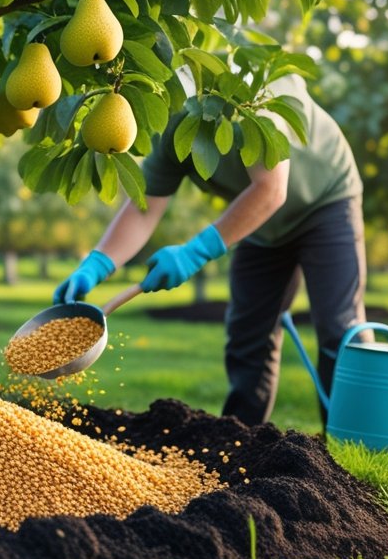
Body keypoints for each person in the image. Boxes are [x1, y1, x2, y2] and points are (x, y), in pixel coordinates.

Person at [55, 74, 366, 426]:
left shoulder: (255, 103)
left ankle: (358, 442)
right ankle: (240, 443)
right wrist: (96, 265)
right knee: (248, 340)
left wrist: (194, 252)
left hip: (326, 202)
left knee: (339, 332)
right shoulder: (174, 129)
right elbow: (144, 209)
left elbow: (271, 190)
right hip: (261, 225)